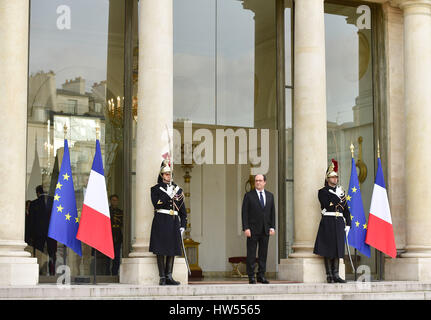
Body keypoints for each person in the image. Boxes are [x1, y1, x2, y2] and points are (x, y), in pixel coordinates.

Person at [149, 159, 187, 285]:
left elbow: (183, 211)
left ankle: (169, 275)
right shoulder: (155, 189)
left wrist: (183, 226)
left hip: (173, 222)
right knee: (160, 249)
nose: (168, 176)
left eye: (170, 174)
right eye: (166, 174)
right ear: (161, 175)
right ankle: (162, 277)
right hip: (161, 221)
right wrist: (167, 195)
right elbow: (156, 204)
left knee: (171, 249)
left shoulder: (178, 190)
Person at [313, 159, 351, 283]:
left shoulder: (341, 192)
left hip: (339, 221)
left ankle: (336, 274)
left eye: (336, 177)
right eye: (332, 177)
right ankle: (329, 275)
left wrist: (348, 224)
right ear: (327, 178)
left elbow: (345, 209)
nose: (335, 179)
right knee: (328, 248)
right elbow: (328, 205)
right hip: (328, 221)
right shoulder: (322, 192)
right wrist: (337, 196)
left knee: (337, 249)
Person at [241, 174, 276, 284]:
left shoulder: (270, 196)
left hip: (265, 229)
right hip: (252, 230)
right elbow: (244, 213)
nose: (258, 182)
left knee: (263, 254)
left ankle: (261, 275)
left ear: (265, 182)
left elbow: (272, 213)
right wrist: (246, 228)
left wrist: (272, 227)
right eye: (256, 181)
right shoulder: (249, 196)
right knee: (251, 253)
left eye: (260, 180)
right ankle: (251, 276)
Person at [29, 185, 57, 276]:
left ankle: (38, 272)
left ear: (38, 193)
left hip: (38, 233)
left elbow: (31, 222)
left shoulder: (33, 204)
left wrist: (31, 236)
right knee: (52, 253)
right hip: (52, 233)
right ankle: (52, 271)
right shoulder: (54, 203)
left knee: (39, 253)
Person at [109, 194, 123, 276]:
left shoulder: (120, 212)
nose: (115, 202)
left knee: (117, 256)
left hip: (117, 234)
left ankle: (114, 273)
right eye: (113, 200)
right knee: (108, 257)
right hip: (109, 234)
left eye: (116, 200)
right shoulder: (107, 211)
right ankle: (107, 273)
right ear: (110, 201)